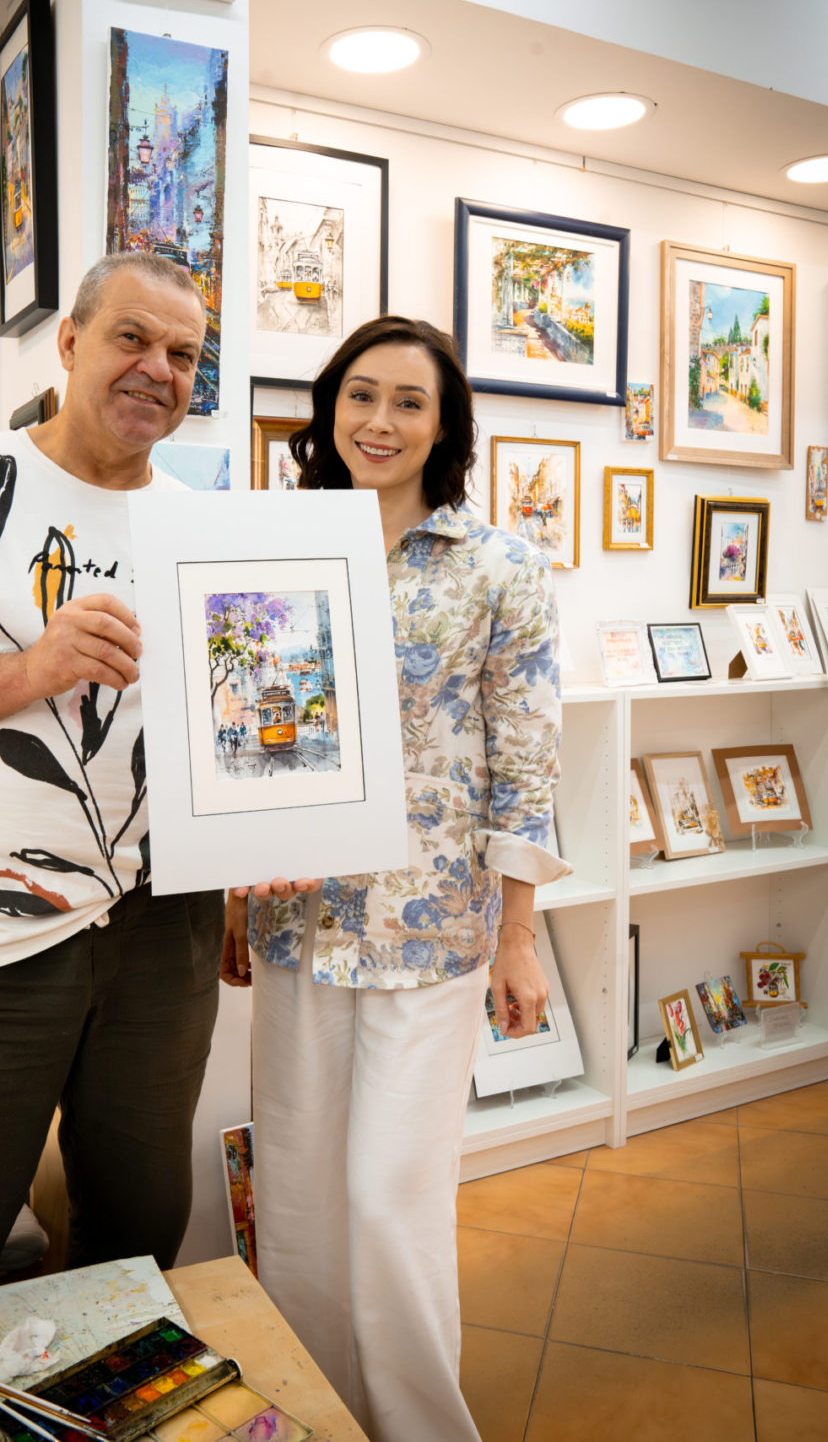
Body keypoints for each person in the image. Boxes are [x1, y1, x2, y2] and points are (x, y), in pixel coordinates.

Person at [0, 250, 315, 1311]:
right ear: (72, 340)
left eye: (184, 354)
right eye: (133, 338)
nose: (158, 369)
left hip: (159, 931)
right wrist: (32, 670)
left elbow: (231, 737)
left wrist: (257, 841)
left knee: (137, 1236)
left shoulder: (206, 526)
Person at [221, 314, 570, 1442]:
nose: (379, 421)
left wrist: (519, 936)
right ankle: (318, 1416)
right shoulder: (270, 544)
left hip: (431, 926)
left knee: (389, 1200)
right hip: (296, 921)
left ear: (443, 423)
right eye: (361, 395)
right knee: (305, 1202)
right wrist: (234, 882)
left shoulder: (503, 568)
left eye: (408, 402)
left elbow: (525, 759)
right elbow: (241, 736)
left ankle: (423, 1426)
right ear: (328, 408)